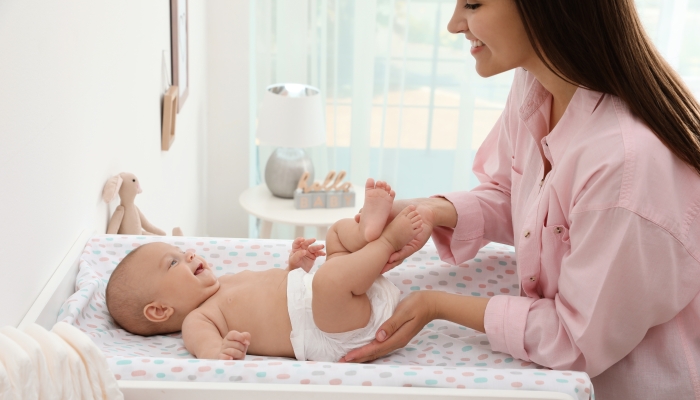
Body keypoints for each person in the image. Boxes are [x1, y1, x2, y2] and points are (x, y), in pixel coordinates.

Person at [341, 1, 700, 399]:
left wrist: (435, 306)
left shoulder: (624, 165)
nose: (453, 24)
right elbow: (521, 198)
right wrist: (431, 211)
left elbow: (573, 340)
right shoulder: (538, 86)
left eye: (473, 4)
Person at [105, 179, 423, 362]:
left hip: (337, 298)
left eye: (180, 250)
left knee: (335, 234)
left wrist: (295, 266)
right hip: (332, 330)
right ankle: (387, 241)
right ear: (160, 309)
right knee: (329, 281)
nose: (188, 252)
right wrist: (221, 350)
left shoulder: (224, 284)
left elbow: (278, 290)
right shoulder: (197, 320)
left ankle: (366, 233)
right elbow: (208, 351)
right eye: (173, 262)